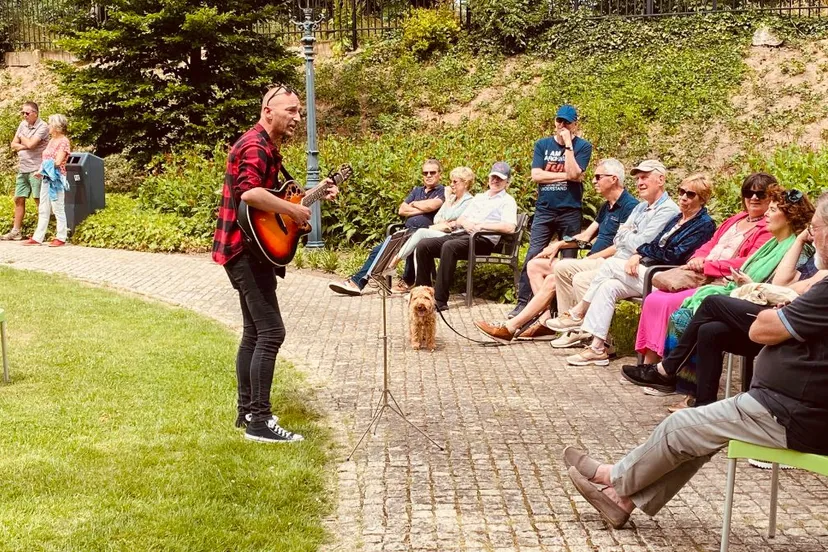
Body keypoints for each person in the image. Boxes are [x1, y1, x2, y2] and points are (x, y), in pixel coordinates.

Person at [563, 192, 828, 531]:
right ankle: (621, 497)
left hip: (791, 413)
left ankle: (614, 480)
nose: (812, 234)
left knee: (681, 426)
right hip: (791, 406)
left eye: (816, 228)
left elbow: (762, 328)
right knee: (697, 427)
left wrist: (782, 312)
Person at [212, 84, 338, 444]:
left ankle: (246, 411)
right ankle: (260, 422)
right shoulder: (254, 145)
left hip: (250, 249)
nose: (298, 118)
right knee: (271, 332)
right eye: (292, 111)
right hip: (244, 252)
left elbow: (271, 204)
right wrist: (294, 209)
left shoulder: (267, 146)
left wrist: (303, 206)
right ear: (268, 110)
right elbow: (249, 193)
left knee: (254, 331)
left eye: (299, 112)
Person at [622, 188, 817, 409]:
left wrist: (800, 239)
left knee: (711, 302)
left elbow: (780, 285)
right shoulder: (771, 244)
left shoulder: (799, 249)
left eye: (772, 210)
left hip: (776, 319)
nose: (767, 215)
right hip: (755, 306)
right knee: (710, 331)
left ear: (788, 217)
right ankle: (702, 403)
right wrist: (747, 284)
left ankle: (667, 369)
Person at [550, 174, 716, 366]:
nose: (684, 197)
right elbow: (652, 243)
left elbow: (673, 255)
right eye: (681, 192)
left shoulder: (704, 224)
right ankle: (597, 348)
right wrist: (638, 255)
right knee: (609, 286)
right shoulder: (678, 218)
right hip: (650, 270)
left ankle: (578, 312)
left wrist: (639, 252)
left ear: (702, 199)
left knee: (611, 265)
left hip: (667, 277)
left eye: (690, 194)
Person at [473, 158, 637, 343]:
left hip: (605, 264)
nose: (593, 181)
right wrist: (558, 245)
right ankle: (544, 322)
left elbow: (620, 247)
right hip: (591, 260)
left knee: (552, 278)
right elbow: (586, 237)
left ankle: (512, 327)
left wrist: (589, 260)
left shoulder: (630, 206)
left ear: (613, 179)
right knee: (534, 265)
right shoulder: (606, 206)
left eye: (598, 177)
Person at [632, 173, 775, 370]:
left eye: (760, 194)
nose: (754, 198)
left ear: (772, 198)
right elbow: (711, 243)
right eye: (748, 192)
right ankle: (649, 363)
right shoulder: (736, 219)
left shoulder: (767, 228)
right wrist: (697, 258)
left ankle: (669, 369)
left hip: (722, 280)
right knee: (654, 299)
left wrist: (708, 266)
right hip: (700, 273)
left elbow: (748, 262)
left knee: (672, 303)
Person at [549, 160, 680, 349]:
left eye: (644, 177)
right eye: (637, 178)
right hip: (619, 260)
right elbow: (618, 238)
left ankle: (582, 326)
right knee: (562, 267)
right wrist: (630, 235)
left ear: (660, 180)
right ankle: (577, 331)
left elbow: (641, 243)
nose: (639, 182)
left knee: (581, 279)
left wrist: (628, 235)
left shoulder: (667, 209)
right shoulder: (641, 207)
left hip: (635, 266)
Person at [510, 104, 593, 318]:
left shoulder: (583, 146)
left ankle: (565, 309)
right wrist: (566, 176)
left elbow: (576, 172)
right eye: (559, 121)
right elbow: (537, 175)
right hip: (545, 210)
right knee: (533, 255)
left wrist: (568, 146)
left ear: (575, 124)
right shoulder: (542, 145)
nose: (562, 125)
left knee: (568, 260)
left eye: (567, 122)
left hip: (570, 210)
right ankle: (523, 303)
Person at [329, 159, 445, 296]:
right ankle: (361, 281)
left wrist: (414, 204)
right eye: (425, 173)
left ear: (440, 174)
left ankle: (362, 281)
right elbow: (402, 210)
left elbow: (432, 206)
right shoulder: (417, 190)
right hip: (406, 231)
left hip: (424, 234)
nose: (429, 175)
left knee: (388, 248)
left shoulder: (442, 190)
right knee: (378, 250)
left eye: (432, 172)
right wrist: (422, 208)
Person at [413, 162, 518, 312]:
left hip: (483, 240)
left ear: (507, 182)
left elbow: (510, 227)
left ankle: (439, 300)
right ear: (488, 179)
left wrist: (482, 225)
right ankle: (421, 296)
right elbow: (461, 219)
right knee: (424, 245)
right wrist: (467, 223)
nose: (495, 181)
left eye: (500, 179)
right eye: (493, 177)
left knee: (449, 247)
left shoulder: (507, 201)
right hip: (464, 234)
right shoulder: (480, 197)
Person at [390, 166, 474, 266]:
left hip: (455, 237)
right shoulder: (452, 199)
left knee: (421, 234)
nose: (451, 185)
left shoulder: (469, 201)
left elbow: (448, 216)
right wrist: (444, 222)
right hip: (443, 233)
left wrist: (447, 199)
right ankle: (417, 278)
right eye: (451, 181)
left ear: (465, 183)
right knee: (420, 243)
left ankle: (395, 261)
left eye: (455, 182)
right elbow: (436, 218)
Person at [2, 102, 50, 241]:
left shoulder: (43, 127)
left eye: (27, 113)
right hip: (23, 168)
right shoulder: (23, 125)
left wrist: (23, 141)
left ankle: (42, 232)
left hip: (36, 169)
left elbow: (31, 144)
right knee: (18, 198)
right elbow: (13, 144)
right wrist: (25, 144)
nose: (24, 116)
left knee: (38, 199)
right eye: (22, 113)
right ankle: (16, 231)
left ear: (35, 113)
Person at [21, 115, 71, 247]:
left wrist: (44, 169)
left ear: (57, 126)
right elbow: (46, 159)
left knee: (57, 208)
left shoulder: (63, 141)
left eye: (50, 124)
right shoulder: (52, 141)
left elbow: (58, 161)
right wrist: (40, 171)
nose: (48, 126)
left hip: (57, 178)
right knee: (43, 208)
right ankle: (38, 237)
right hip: (47, 177)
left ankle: (61, 237)